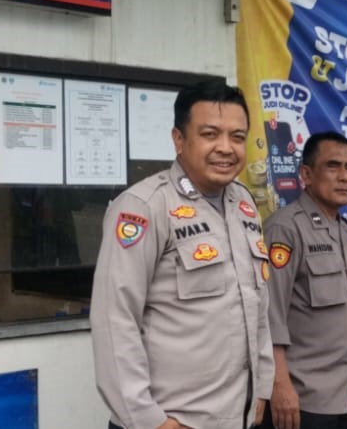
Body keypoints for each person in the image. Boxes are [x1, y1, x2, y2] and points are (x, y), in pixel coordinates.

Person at [92, 80, 274, 429]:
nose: (226, 148)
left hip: (237, 417)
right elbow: (114, 321)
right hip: (174, 421)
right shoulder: (143, 207)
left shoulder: (245, 204)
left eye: (237, 137)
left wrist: (262, 388)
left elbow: (258, 305)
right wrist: (149, 420)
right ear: (179, 139)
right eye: (210, 134)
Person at [261, 131, 347, 429]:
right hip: (299, 400)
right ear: (306, 175)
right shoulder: (285, 229)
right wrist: (279, 384)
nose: (344, 177)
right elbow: (269, 316)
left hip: (341, 398)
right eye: (333, 166)